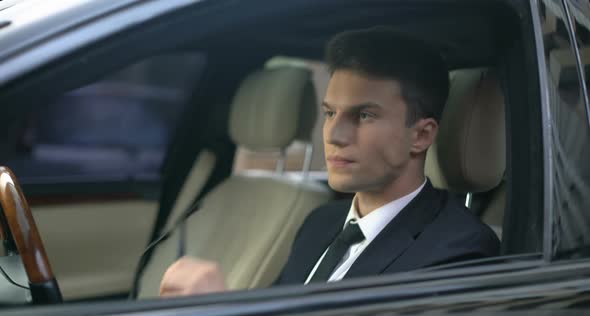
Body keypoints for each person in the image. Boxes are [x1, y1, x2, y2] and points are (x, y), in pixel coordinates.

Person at [159, 27, 500, 297]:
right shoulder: (320, 222)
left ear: (421, 136)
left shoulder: (460, 251)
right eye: (329, 113)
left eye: (364, 115)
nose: (334, 134)